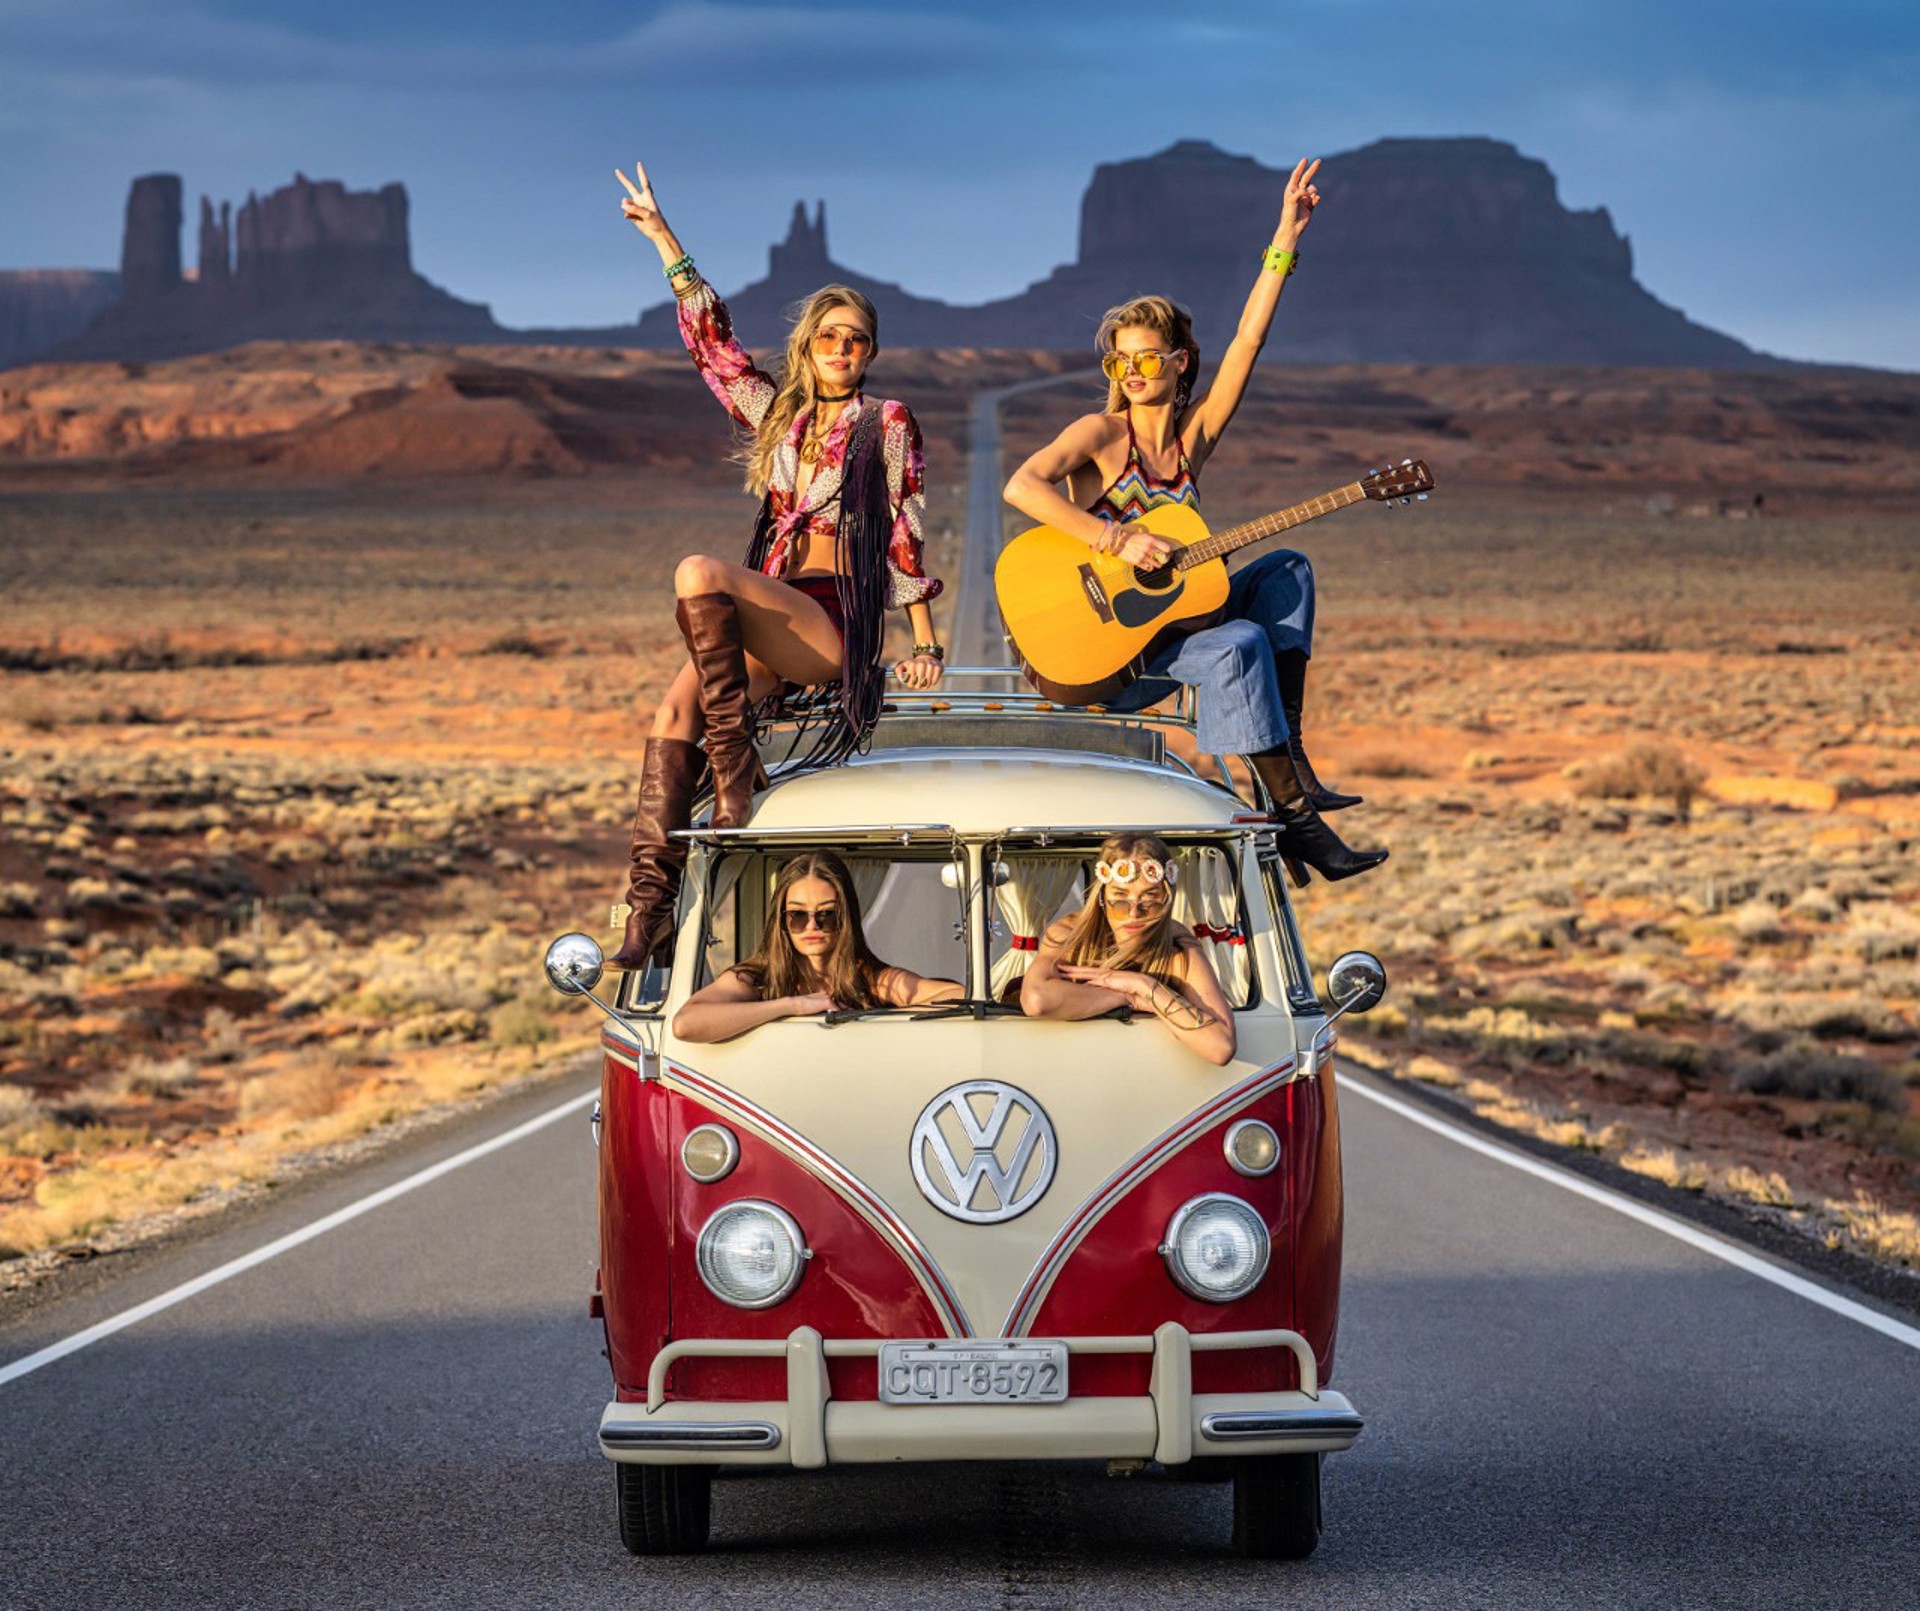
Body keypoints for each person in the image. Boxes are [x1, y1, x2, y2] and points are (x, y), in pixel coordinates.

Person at [1002, 158, 1385, 885]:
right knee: (1240, 638)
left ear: (1180, 364)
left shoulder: (1189, 443)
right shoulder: (1099, 434)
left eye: (1149, 358)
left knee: (1288, 569)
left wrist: (1285, 238)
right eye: (1121, 362)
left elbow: (1247, 342)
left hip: (1173, 636)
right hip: (1109, 657)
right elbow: (1023, 485)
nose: (1134, 372)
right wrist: (1117, 536)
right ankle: (1293, 812)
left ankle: (1287, 755)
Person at [610, 159, 948, 968]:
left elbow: (905, 528)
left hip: (832, 622)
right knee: (669, 717)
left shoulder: (884, 420)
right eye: (829, 336)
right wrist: (665, 240)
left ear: (869, 353)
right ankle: (648, 916)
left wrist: (926, 643)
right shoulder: (778, 414)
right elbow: (713, 348)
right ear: (809, 345)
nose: (842, 348)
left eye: (856, 339)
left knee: (699, 572)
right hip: (772, 615)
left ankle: (735, 776)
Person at [673, 851, 963, 1042]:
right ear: (782, 921)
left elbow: (957, 996)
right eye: (798, 915)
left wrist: (868, 1017)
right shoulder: (759, 978)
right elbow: (686, 1024)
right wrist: (791, 1006)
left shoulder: (869, 979)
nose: (812, 926)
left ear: (846, 917)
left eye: (827, 914)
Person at [1019, 834, 1236, 1066]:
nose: (1134, 913)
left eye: (1150, 898)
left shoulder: (1178, 949)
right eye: (1120, 897)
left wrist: (1144, 986)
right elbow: (1036, 1000)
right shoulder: (1071, 935)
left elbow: (1220, 1047)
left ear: (1166, 899)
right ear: (1102, 896)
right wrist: (1127, 998)